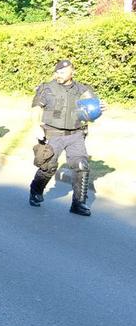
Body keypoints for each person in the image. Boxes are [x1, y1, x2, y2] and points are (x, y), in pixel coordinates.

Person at [29, 58, 104, 216]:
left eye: (63, 72)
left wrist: (100, 108)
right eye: (57, 71)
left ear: (72, 72)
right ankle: (35, 191)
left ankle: (78, 204)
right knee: (48, 167)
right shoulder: (47, 88)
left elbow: (93, 108)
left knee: (81, 166)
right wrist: (36, 126)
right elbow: (36, 108)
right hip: (53, 133)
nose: (59, 74)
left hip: (76, 133)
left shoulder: (83, 89)